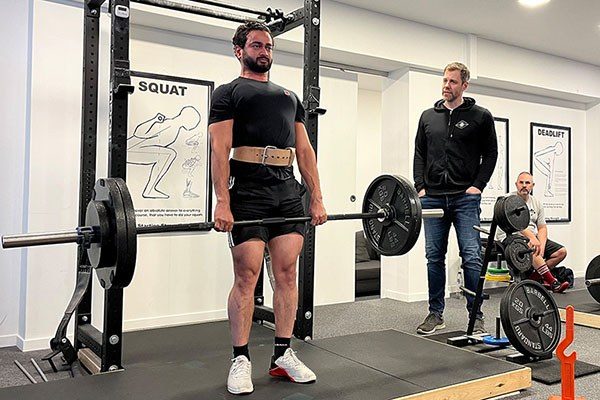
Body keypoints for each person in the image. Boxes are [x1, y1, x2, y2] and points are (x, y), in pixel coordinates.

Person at [209, 22, 327, 395]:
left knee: (287, 274)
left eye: (269, 47)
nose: (264, 52)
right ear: (239, 50)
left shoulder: (290, 96)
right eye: (257, 45)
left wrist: (317, 196)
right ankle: (240, 358)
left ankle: (282, 355)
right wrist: (222, 201)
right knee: (247, 275)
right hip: (247, 191)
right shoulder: (228, 93)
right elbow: (219, 148)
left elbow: (304, 151)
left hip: (286, 191)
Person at [413, 62, 498, 335]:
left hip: (465, 198)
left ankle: (476, 316)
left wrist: (478, 186)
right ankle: (435, 314)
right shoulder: (428, 116)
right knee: (433, 257)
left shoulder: (480, 116)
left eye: (452, 81)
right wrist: (420, 187)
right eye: (445, 80)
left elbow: (491, 154)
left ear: (464, 85)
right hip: (433, 198)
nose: (446, 86)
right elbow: (419, 154)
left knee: (472, 256)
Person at [499, 172, 569, 293]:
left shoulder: (536, 203)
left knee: (561, 252)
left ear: (532, 185)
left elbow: (542, 227)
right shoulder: (508, 200)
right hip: (510, 235)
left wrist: (541, 244)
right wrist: (533, 239)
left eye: (527, 183)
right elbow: (516, 224)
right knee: (533, 247)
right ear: (516, 184)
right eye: (521, 182)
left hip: (531, 237)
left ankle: (533, 279)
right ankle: (553, 282)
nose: (524, 185)